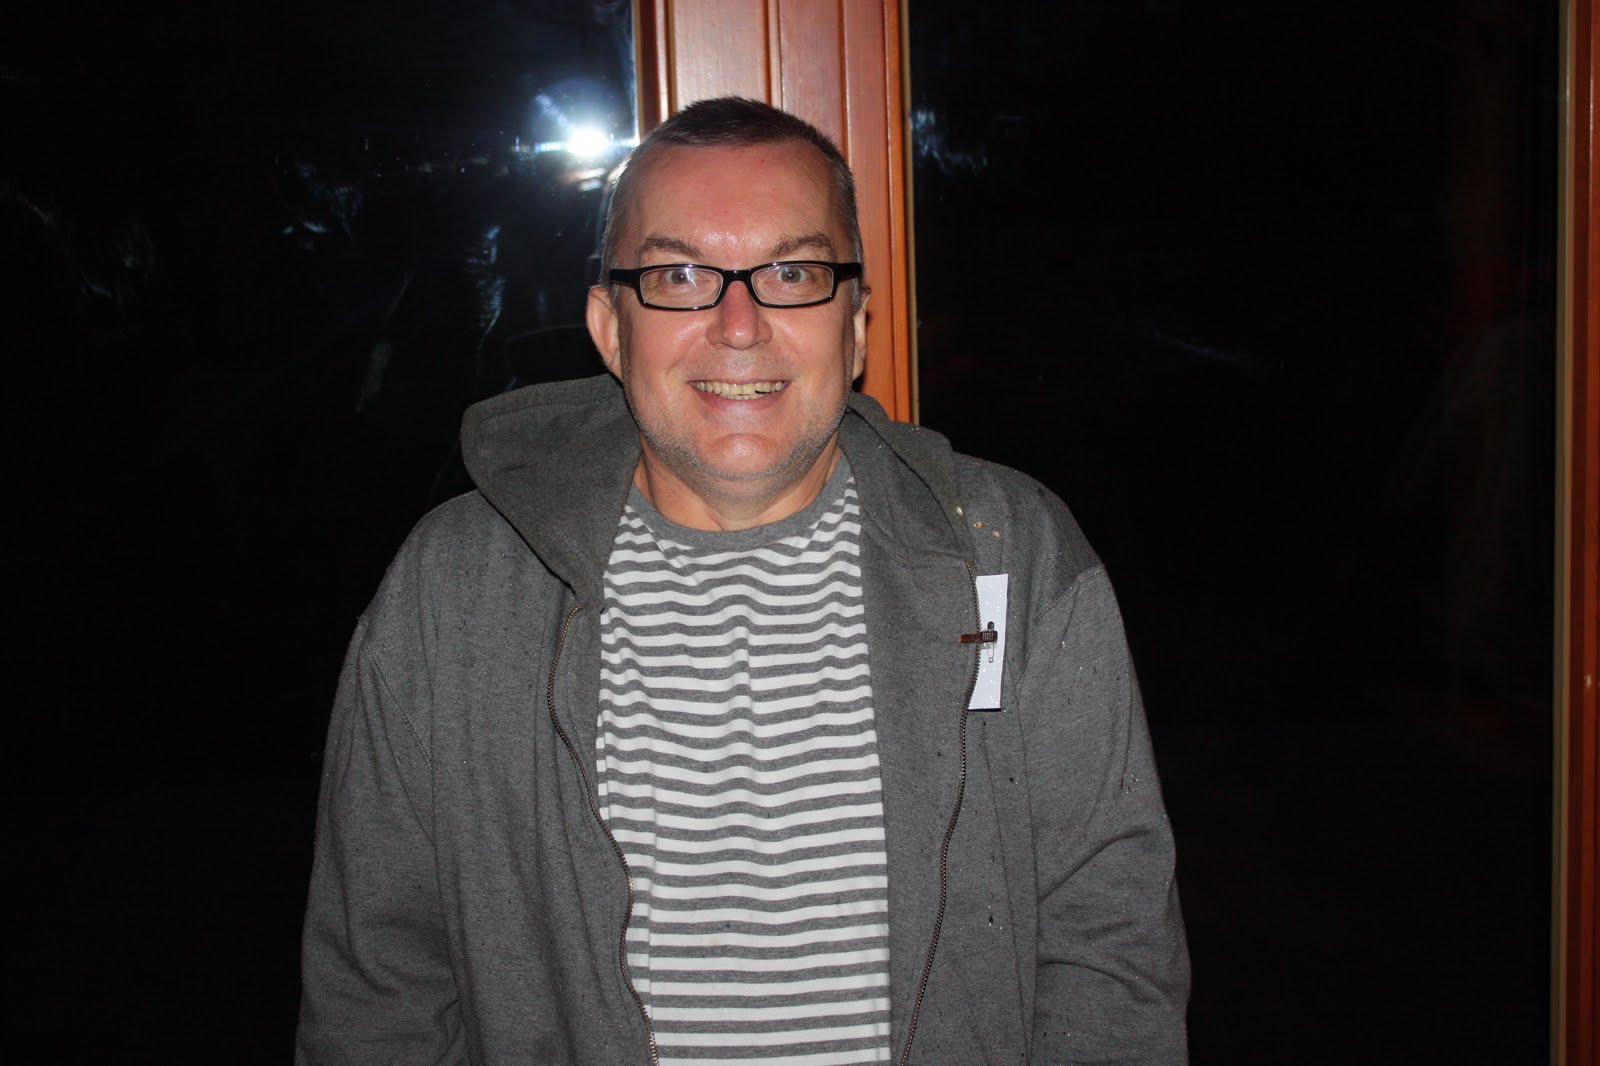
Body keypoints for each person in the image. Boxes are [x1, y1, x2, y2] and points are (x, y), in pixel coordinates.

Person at [296, 95, 1189, 1065]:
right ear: (610, 326)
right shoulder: (455, 592)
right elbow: (378, 989)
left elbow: (1111, 949)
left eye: (792, 273)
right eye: (679, 274)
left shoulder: (1013, 549)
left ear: (855, 323)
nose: (738, 324)